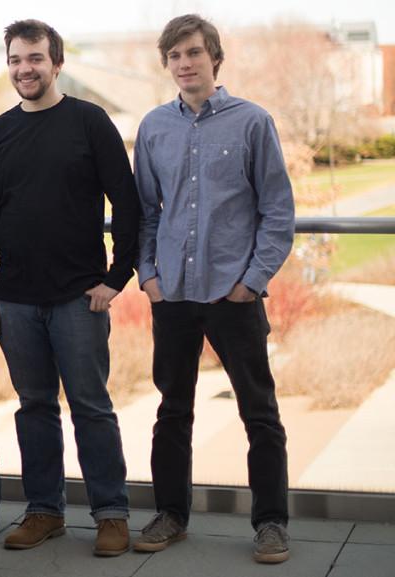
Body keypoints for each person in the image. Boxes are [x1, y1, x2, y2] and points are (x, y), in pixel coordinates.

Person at [0, 19, 140, 556]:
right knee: (34, 406)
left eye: (36, 59)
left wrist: (116, 278)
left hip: (78, 296)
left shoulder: (89, 121)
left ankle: (111, 513)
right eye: (17, 60)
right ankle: (45, 511)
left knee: (91, 406)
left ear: (56, 63)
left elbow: (128, 204)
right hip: (16, 299)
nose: (26, 68)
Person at [133, 14, 295, 564]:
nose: (185, 63)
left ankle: (271, 523)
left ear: (214, 58)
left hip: (233, 294)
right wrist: (148, 277)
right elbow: (146, 214)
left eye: (194, 53)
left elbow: (278, 212)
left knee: (260, 411)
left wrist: (252, 283)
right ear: (168, 64)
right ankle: (171, 515)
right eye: (175, 56)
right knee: (172, 411)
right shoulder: (154, 127)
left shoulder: (252, 122)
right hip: (173, 295)